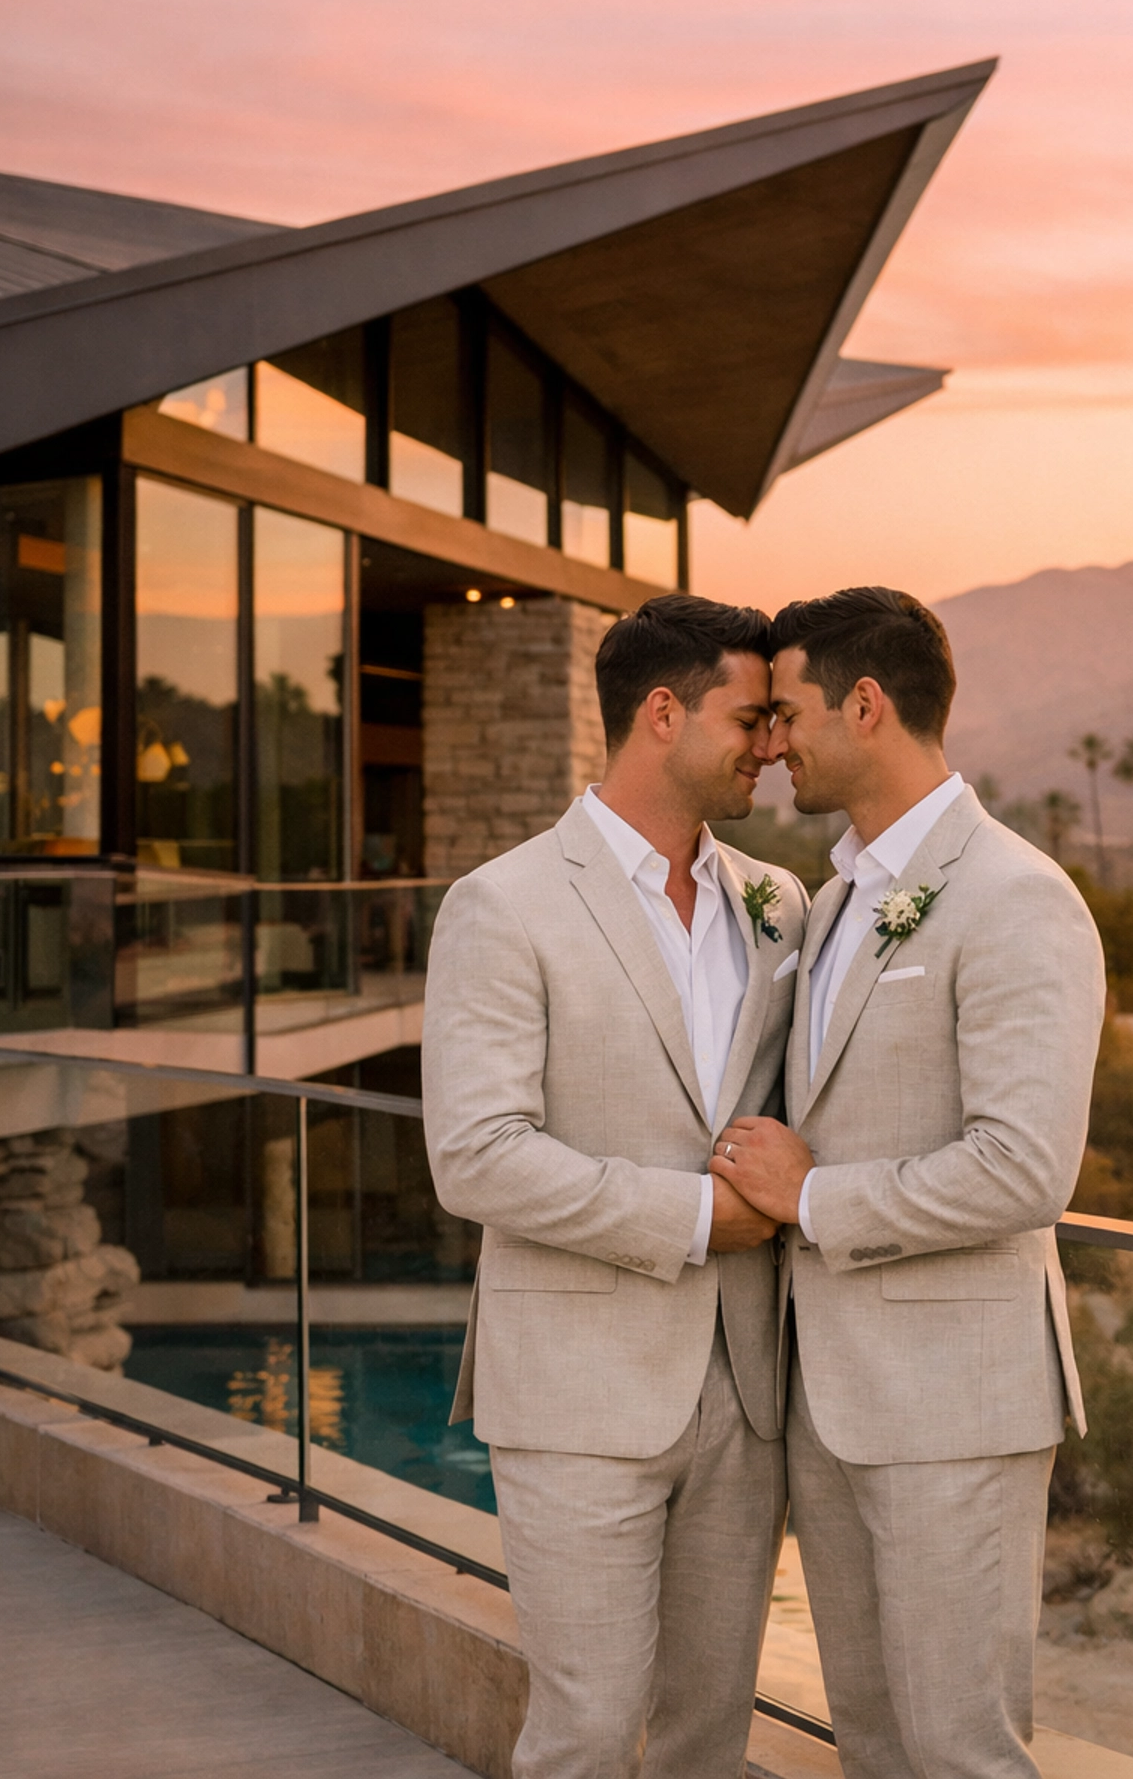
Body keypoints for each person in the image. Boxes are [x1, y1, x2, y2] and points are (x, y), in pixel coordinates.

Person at [711, 586, 1104, 1779]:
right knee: (876, 1743)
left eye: (788, 713)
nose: (771, 743)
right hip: (832, 1408)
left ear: (866, 705)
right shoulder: (834, 899)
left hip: (955, 1410)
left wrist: (813, 1197)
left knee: (959, 1748)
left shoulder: (1014, 897)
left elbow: (1024, 1168)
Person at [422, 593, 808, 1779]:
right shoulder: (503, 905)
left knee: (707, 1737)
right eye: (750, 719)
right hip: (579, 1401)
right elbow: (476, 1153)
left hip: (744, 1400)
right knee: (585, 1734)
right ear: (660, 713)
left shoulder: (777, 906)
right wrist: (698, 1217)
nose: (773, 747)